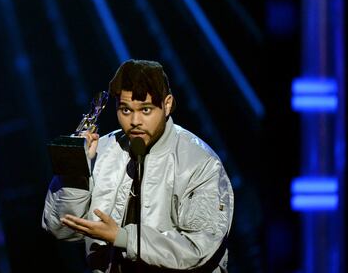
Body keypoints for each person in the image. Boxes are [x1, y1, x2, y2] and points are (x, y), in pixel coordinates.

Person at [42, 60, 234, 272]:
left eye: (146, 110)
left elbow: (198, 247)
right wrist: (75, 170)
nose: (135, 121)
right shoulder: (102, 150)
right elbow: (61, 229)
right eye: (125, 110)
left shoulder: (200, 163)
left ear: (167, 104)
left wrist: (123, 238)